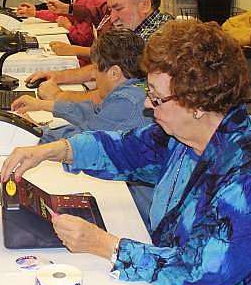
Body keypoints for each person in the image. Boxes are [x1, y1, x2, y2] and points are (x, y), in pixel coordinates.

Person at [1, 20, 251, 285]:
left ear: (195, 103)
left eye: (156, 97)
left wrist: (106, 245)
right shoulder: (183, 135)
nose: (147, 103)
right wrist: (53, 151)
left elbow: (202, 267)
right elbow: (123, 148)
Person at [11, 29, 153, 225]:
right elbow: (95, 112)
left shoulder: (128, 102)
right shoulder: (135, 88)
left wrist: (35, 132)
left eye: (96, 69)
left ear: (114, 72)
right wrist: (45, 105)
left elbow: (83, 137)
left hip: (141, 210)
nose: (93, 75)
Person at [28, 0, 172, 104]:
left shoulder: (154, 41)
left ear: (145, 4)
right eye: (111, 10)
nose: (113, 18)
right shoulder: (140, 29)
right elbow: (102, 68)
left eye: (119, 8)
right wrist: (58, 76)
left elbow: (110, 97)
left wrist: (58, 96)